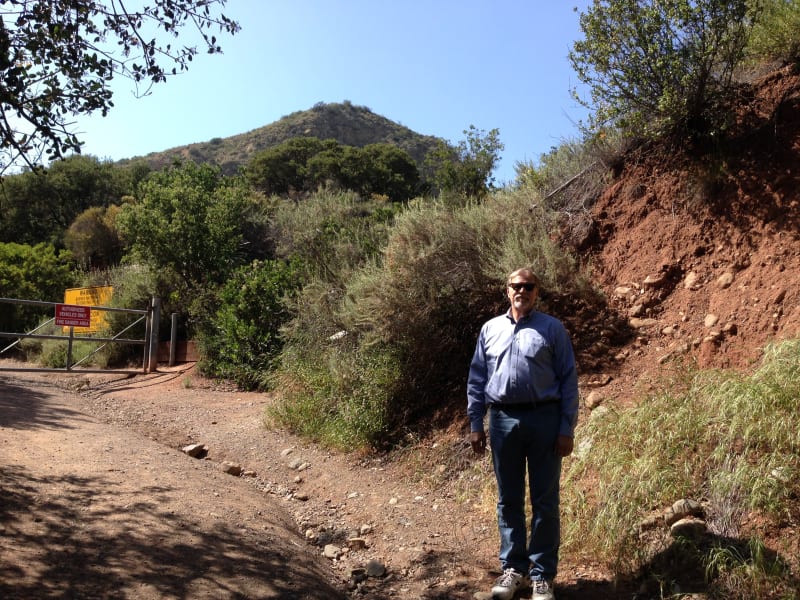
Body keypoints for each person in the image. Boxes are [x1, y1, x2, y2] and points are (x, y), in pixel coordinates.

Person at [467, 268, 579, 600]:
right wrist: (476, 424)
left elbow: (569, 380)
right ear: (507, 291)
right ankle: (513, 570)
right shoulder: (490, 329)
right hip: (502, 420)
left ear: (536, 292)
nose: (522, 291)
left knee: (545, 500)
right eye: (516, 286)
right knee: (508, 499)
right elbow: (476, 379)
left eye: (528, 286)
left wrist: (565, 428)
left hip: (544, 418)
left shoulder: (552, 329)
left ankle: (543, 575)